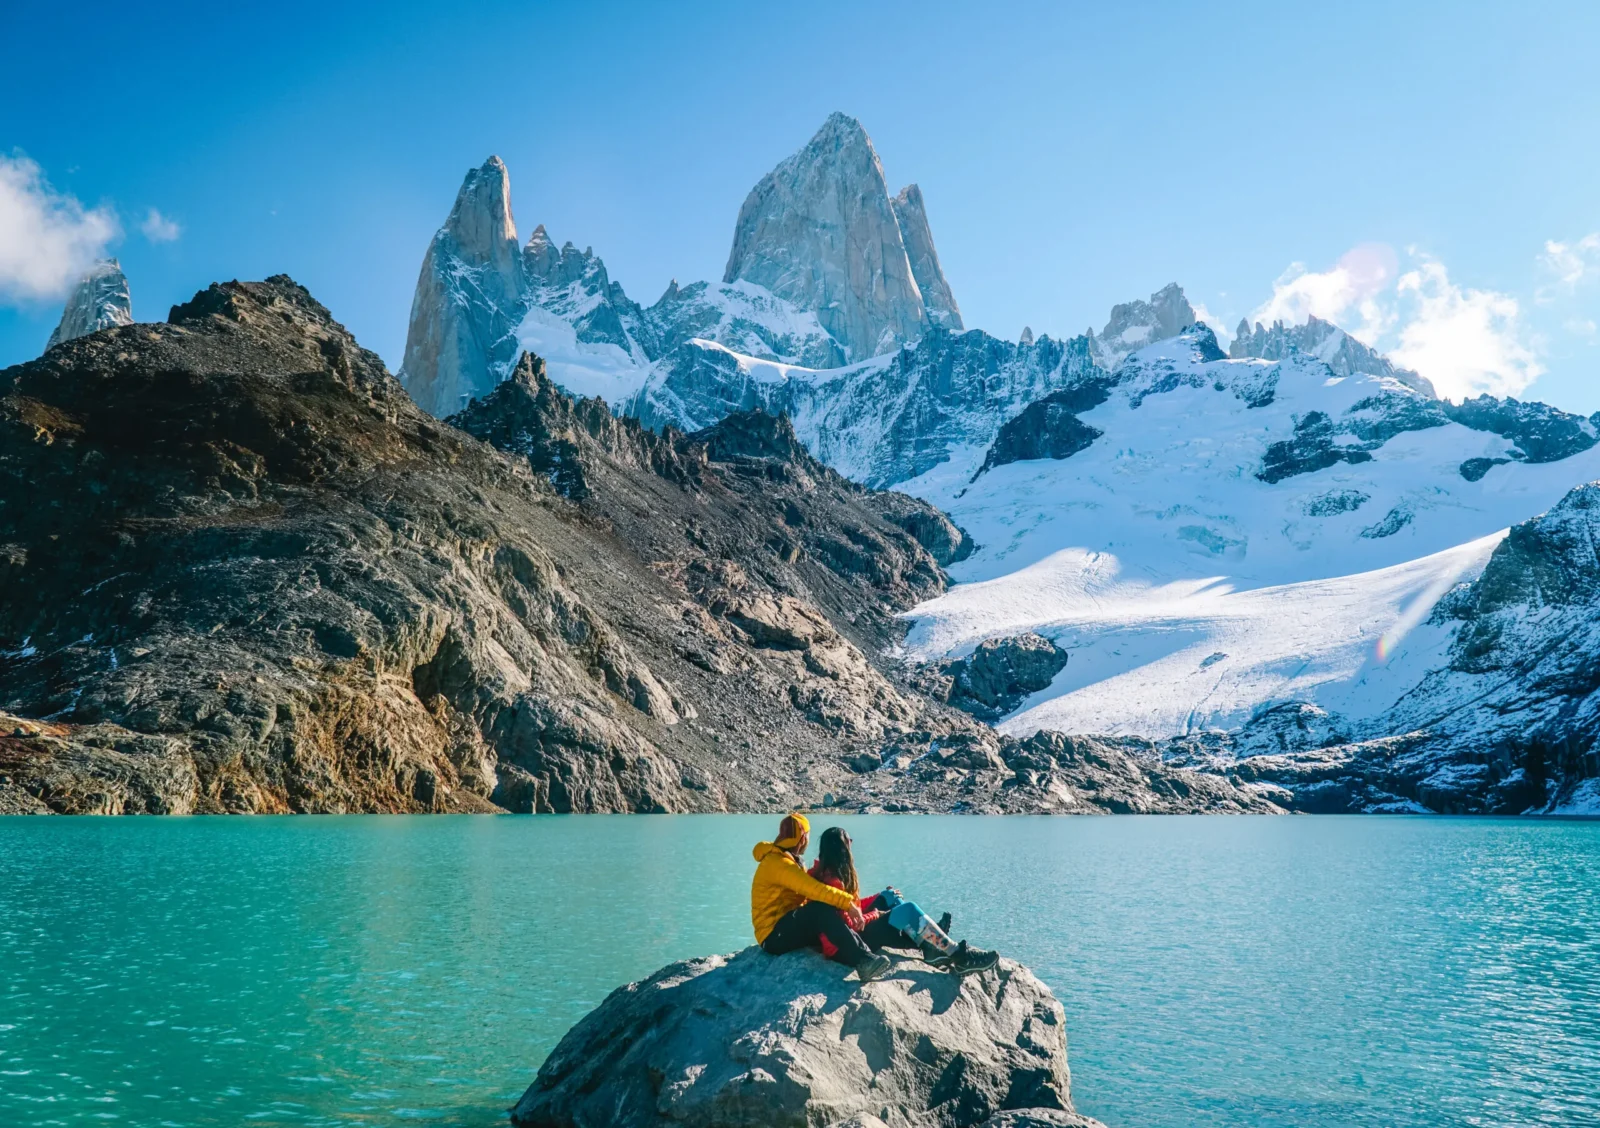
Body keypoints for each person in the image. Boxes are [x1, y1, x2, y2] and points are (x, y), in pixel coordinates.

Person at [808, 825, 999, 977]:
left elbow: (853, 908)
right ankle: (958, 956)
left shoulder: (827, 873)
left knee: (891, 899)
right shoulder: (833, 882)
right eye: (849, 841)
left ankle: (930, 943)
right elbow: (851, 926)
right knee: (906, 911)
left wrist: (879, 897)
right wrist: (878, 913)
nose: (852, 844)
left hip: (851, 936)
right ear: (842, 849)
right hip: (844, 949)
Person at [752, 813, 893, 983]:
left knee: (826, 912)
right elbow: (814, 890)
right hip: (773, 936)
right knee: (820, 909)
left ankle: (863, 954)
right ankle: (862, 960)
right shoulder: (779, 864)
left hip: (787, 926)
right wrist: (848, 903)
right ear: (803, 838)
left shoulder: (789, 859)